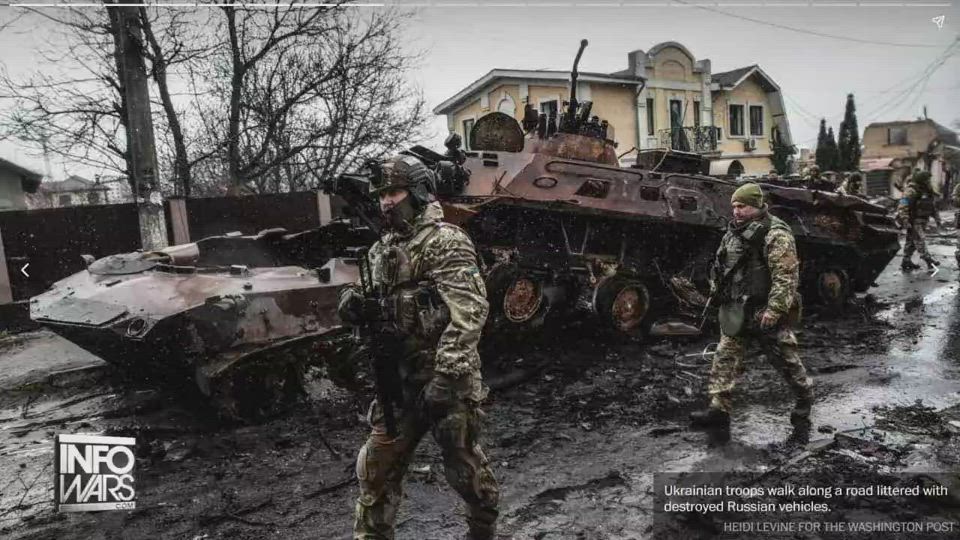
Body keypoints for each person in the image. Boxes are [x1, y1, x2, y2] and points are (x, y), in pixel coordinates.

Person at [338, 155, 499, 539]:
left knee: (464, 469)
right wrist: (352, 303)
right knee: (375, 471)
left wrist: (446, 376)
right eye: (381, 195)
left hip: (446, 379)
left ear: (418, 192)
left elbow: (469, 311)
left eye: (394, 192)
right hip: (398, 380)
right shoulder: (383, 249)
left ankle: (483, 529)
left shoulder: (445, 241)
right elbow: (361, 292)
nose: (385, 202)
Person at [690, 183, 812, 430]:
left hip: (763, 310)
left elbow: (786, 275)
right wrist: (717, 291)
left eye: (742, 206)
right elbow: (722, 265)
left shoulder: (775, 233)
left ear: (757, 206)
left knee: (786, 360)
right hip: (737, 308)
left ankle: (804, 398)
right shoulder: (733, 232)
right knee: (725, 357)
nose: (736, 211)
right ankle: (718, 409)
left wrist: (775, 309)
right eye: (734, 206)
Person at [897, 170, 940, 272]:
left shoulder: (927, 190)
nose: (929, 181)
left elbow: (932, 206)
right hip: (914, 219)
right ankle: (929, 260)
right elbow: (903, 205)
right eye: (927, 179)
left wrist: (937, 218)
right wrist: (905, 219)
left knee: (911, 241)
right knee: (919, 239)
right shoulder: (911, 190)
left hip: (923, 219)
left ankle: (906, 261)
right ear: (922, 180)